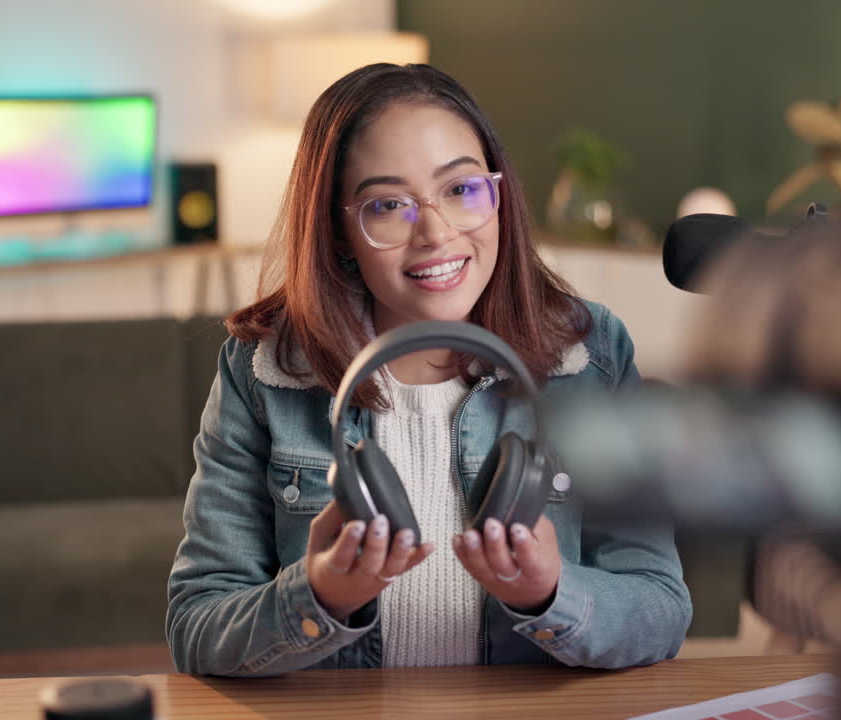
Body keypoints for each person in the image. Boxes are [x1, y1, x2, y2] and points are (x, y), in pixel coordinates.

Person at [166, 63, 691, 676]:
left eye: (461, 189)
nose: (437, 234)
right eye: (389, 205)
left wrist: (552, 594)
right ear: (340, 231)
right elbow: (196, 627)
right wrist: (319, 596)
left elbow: (660, 609)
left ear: (498, 195)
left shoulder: (592, 355)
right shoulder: (264, 371)